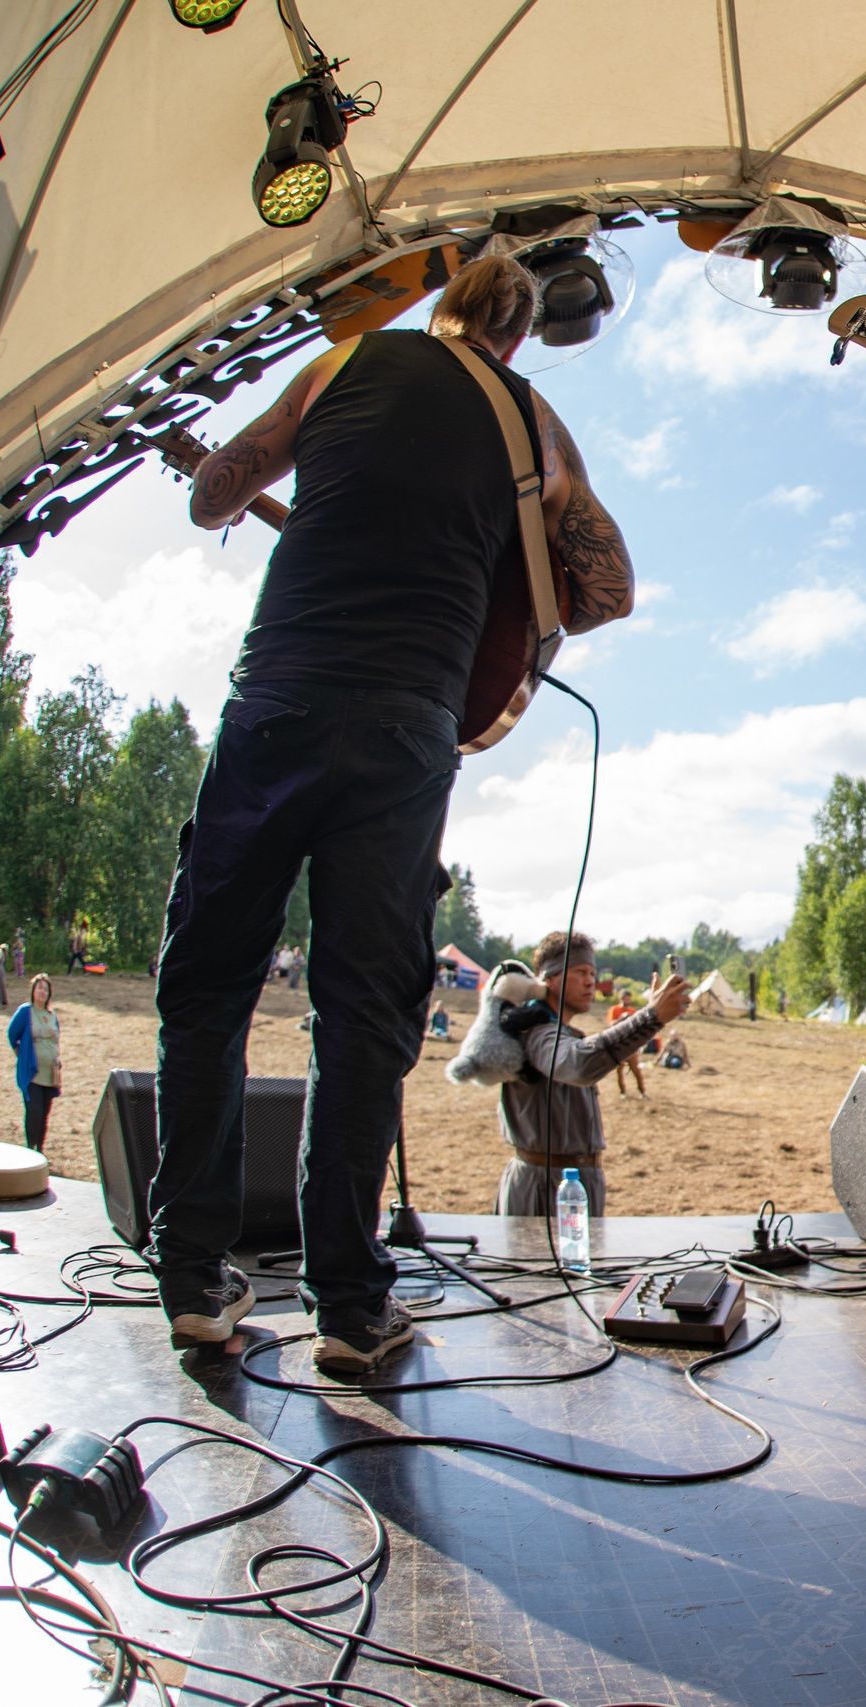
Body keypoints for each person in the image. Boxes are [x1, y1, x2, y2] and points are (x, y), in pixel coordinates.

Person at [147, 251, 637, 1376]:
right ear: (516, 337)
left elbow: (213, 492)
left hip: (274, 701)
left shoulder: (340, 365)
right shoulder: (533, 424)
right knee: (362, 1017)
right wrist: (507, 609)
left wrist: (277, 477)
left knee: (208, 989)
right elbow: (607, 591)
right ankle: (350, 1309)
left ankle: (191, 1283)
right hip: (408, 729)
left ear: (444, 308)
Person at [496, 932, 689, 1217]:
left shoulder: (562, 1032)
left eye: (592, 972)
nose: (590, 981)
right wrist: (652, 1017)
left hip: (571, 1184)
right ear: (548, 978)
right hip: (542, 1189)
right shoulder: (537, 1031)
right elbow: (579, 1064)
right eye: (579, 972)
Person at [6, 973, 62, 1154]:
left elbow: (55, 1041)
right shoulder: (26, 1012)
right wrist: (22, 1057)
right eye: (39, 988)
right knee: (34, 1112)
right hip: (33, 1072)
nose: (42, 992)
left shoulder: (52, 1015)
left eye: (46, 989)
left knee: (44, 1115)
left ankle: (40, 1150)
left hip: (49, 1073)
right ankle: (30, 1150)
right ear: (33, 990)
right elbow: (12, 1035)